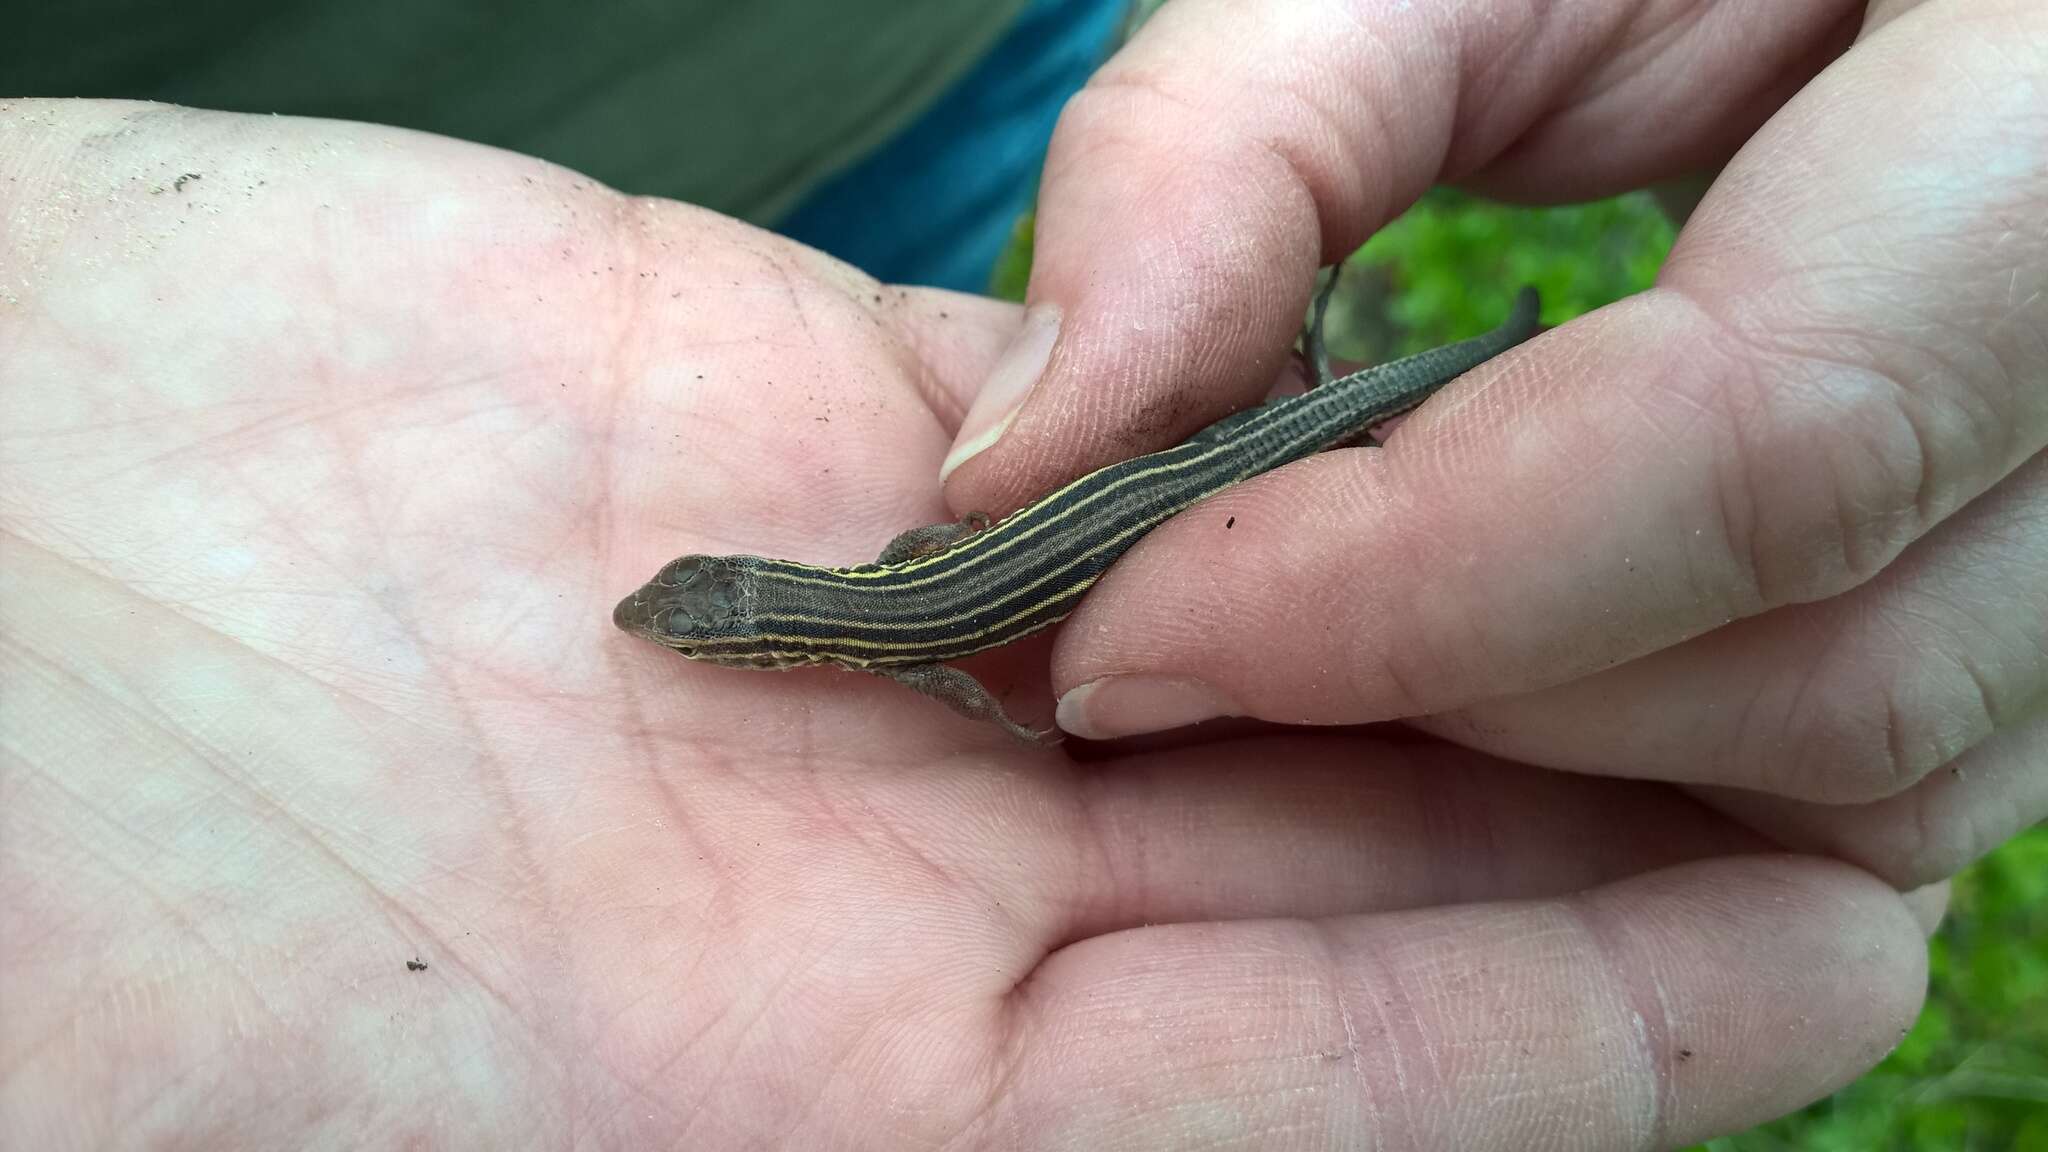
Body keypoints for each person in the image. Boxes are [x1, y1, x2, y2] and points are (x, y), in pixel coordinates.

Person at [1, 1, 2040, 1147]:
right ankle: (1435, 351)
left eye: (693, 611)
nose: (687, 627)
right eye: (694, 619)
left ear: (761, 616)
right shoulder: (884, 613)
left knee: (1337, 458)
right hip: (1185, 431)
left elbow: (971, 645)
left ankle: (1457, 355)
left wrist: (1030, 705)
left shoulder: (900, 644)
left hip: (947, 113)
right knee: (1307, 438)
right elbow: (938, 600)